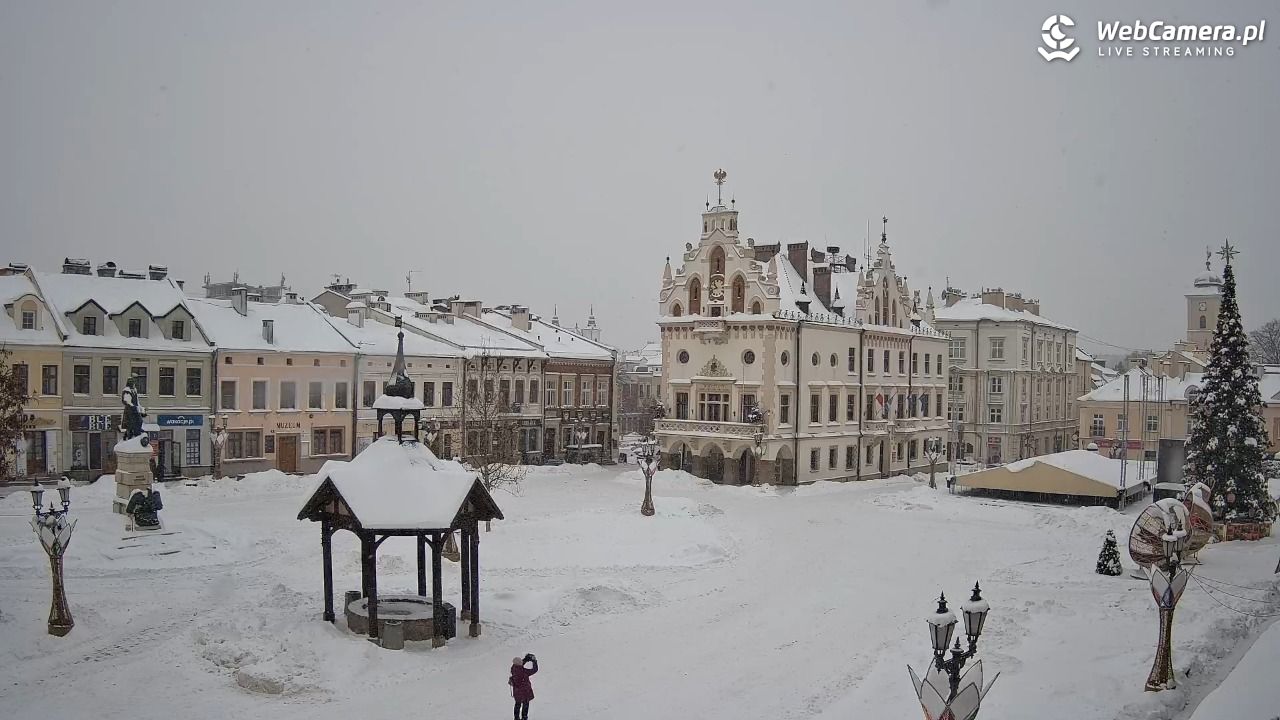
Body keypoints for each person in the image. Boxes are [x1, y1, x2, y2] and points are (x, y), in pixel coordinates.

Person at [508, 653, 538, 720]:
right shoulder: (524, 672)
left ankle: (516, 718)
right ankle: (524, 717)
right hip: (525, 692)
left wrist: (525, 660)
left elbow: (519, 664)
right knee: (525, 705)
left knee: (517, 704)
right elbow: (534, 670)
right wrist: (534, 661)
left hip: (517, 692)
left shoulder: (513, 669)